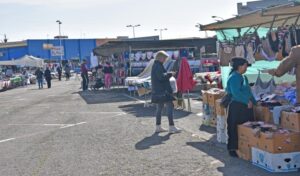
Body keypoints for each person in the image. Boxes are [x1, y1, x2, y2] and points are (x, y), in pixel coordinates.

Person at [226, 57, 256, 157]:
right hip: (236, 106)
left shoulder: (244, 77)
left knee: (247, 126)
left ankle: (246, 148)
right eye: (245, 66)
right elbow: (235, 93)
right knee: (234, 127)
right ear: (240, 66)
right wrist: (246, 101)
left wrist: (254, 102)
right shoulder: (234, 77)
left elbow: (248, 91)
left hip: (245, 106)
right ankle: (233, 149)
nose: (246, 68)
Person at [151, 51, 181, 134]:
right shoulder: (158, 66)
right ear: (160, 57)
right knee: (170, 107)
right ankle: (171, 127)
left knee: (159, 108)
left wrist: (167, 74)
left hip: (158, 91)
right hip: (163, 91)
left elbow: (160, 76)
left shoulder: (156, 65)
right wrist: (170, 74)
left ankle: (158, 127)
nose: (165, 60)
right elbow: (161, 77)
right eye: (164, 58)